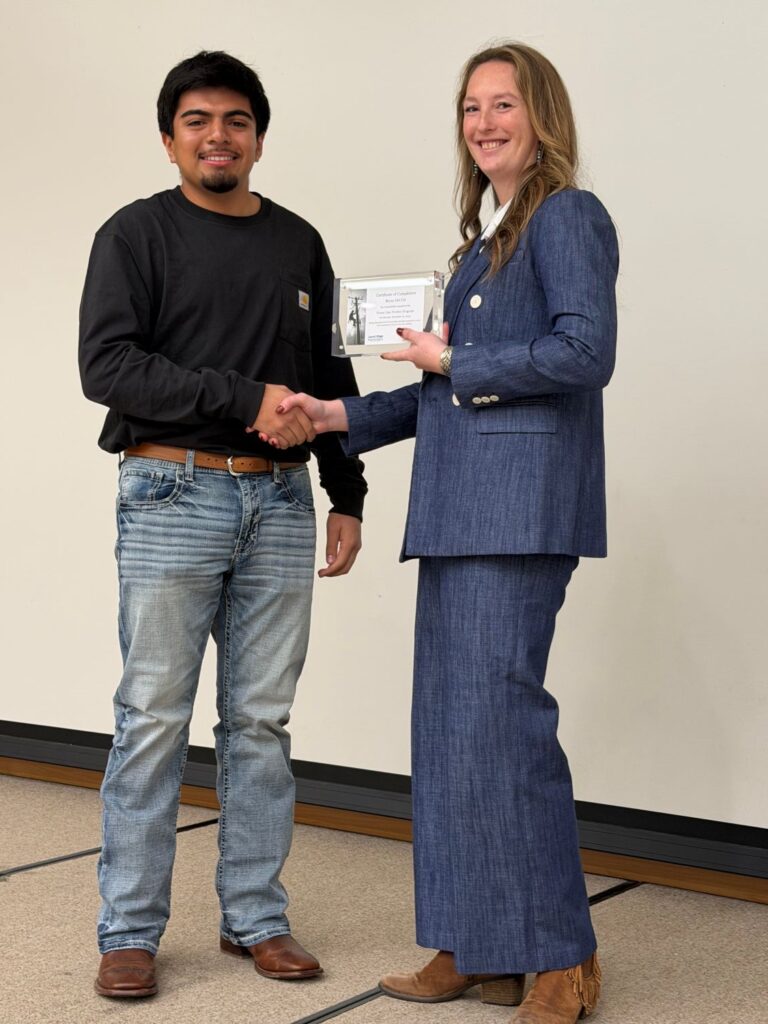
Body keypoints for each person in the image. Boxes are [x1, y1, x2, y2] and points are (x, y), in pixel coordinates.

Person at [266, 42, 618, 1024]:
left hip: (520, 507)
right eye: (471, 106)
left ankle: (561, 955)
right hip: (458, 514)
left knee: (504, 730)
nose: (485, 121)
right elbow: (439, 389)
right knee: (454, 736)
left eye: (504, 104)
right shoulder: (479, 248)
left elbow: (586, 351)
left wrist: (454, 356)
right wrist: (334, 419)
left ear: (541, 116)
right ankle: (478, 942)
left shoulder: (568, 215)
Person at [78, 50, 367, 999]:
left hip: (281, 505)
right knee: (153, 718)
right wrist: (248, 397)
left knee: (261, 722)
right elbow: (109, 369)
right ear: (170, 138)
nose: (217, 135)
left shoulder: (298, 243)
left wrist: (346, 492)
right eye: (197, 120)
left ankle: (257, 919)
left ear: (258, 136)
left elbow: (328, 379)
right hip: (172, 496)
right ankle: (128, 930)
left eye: (236, 120)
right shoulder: (135, 236)